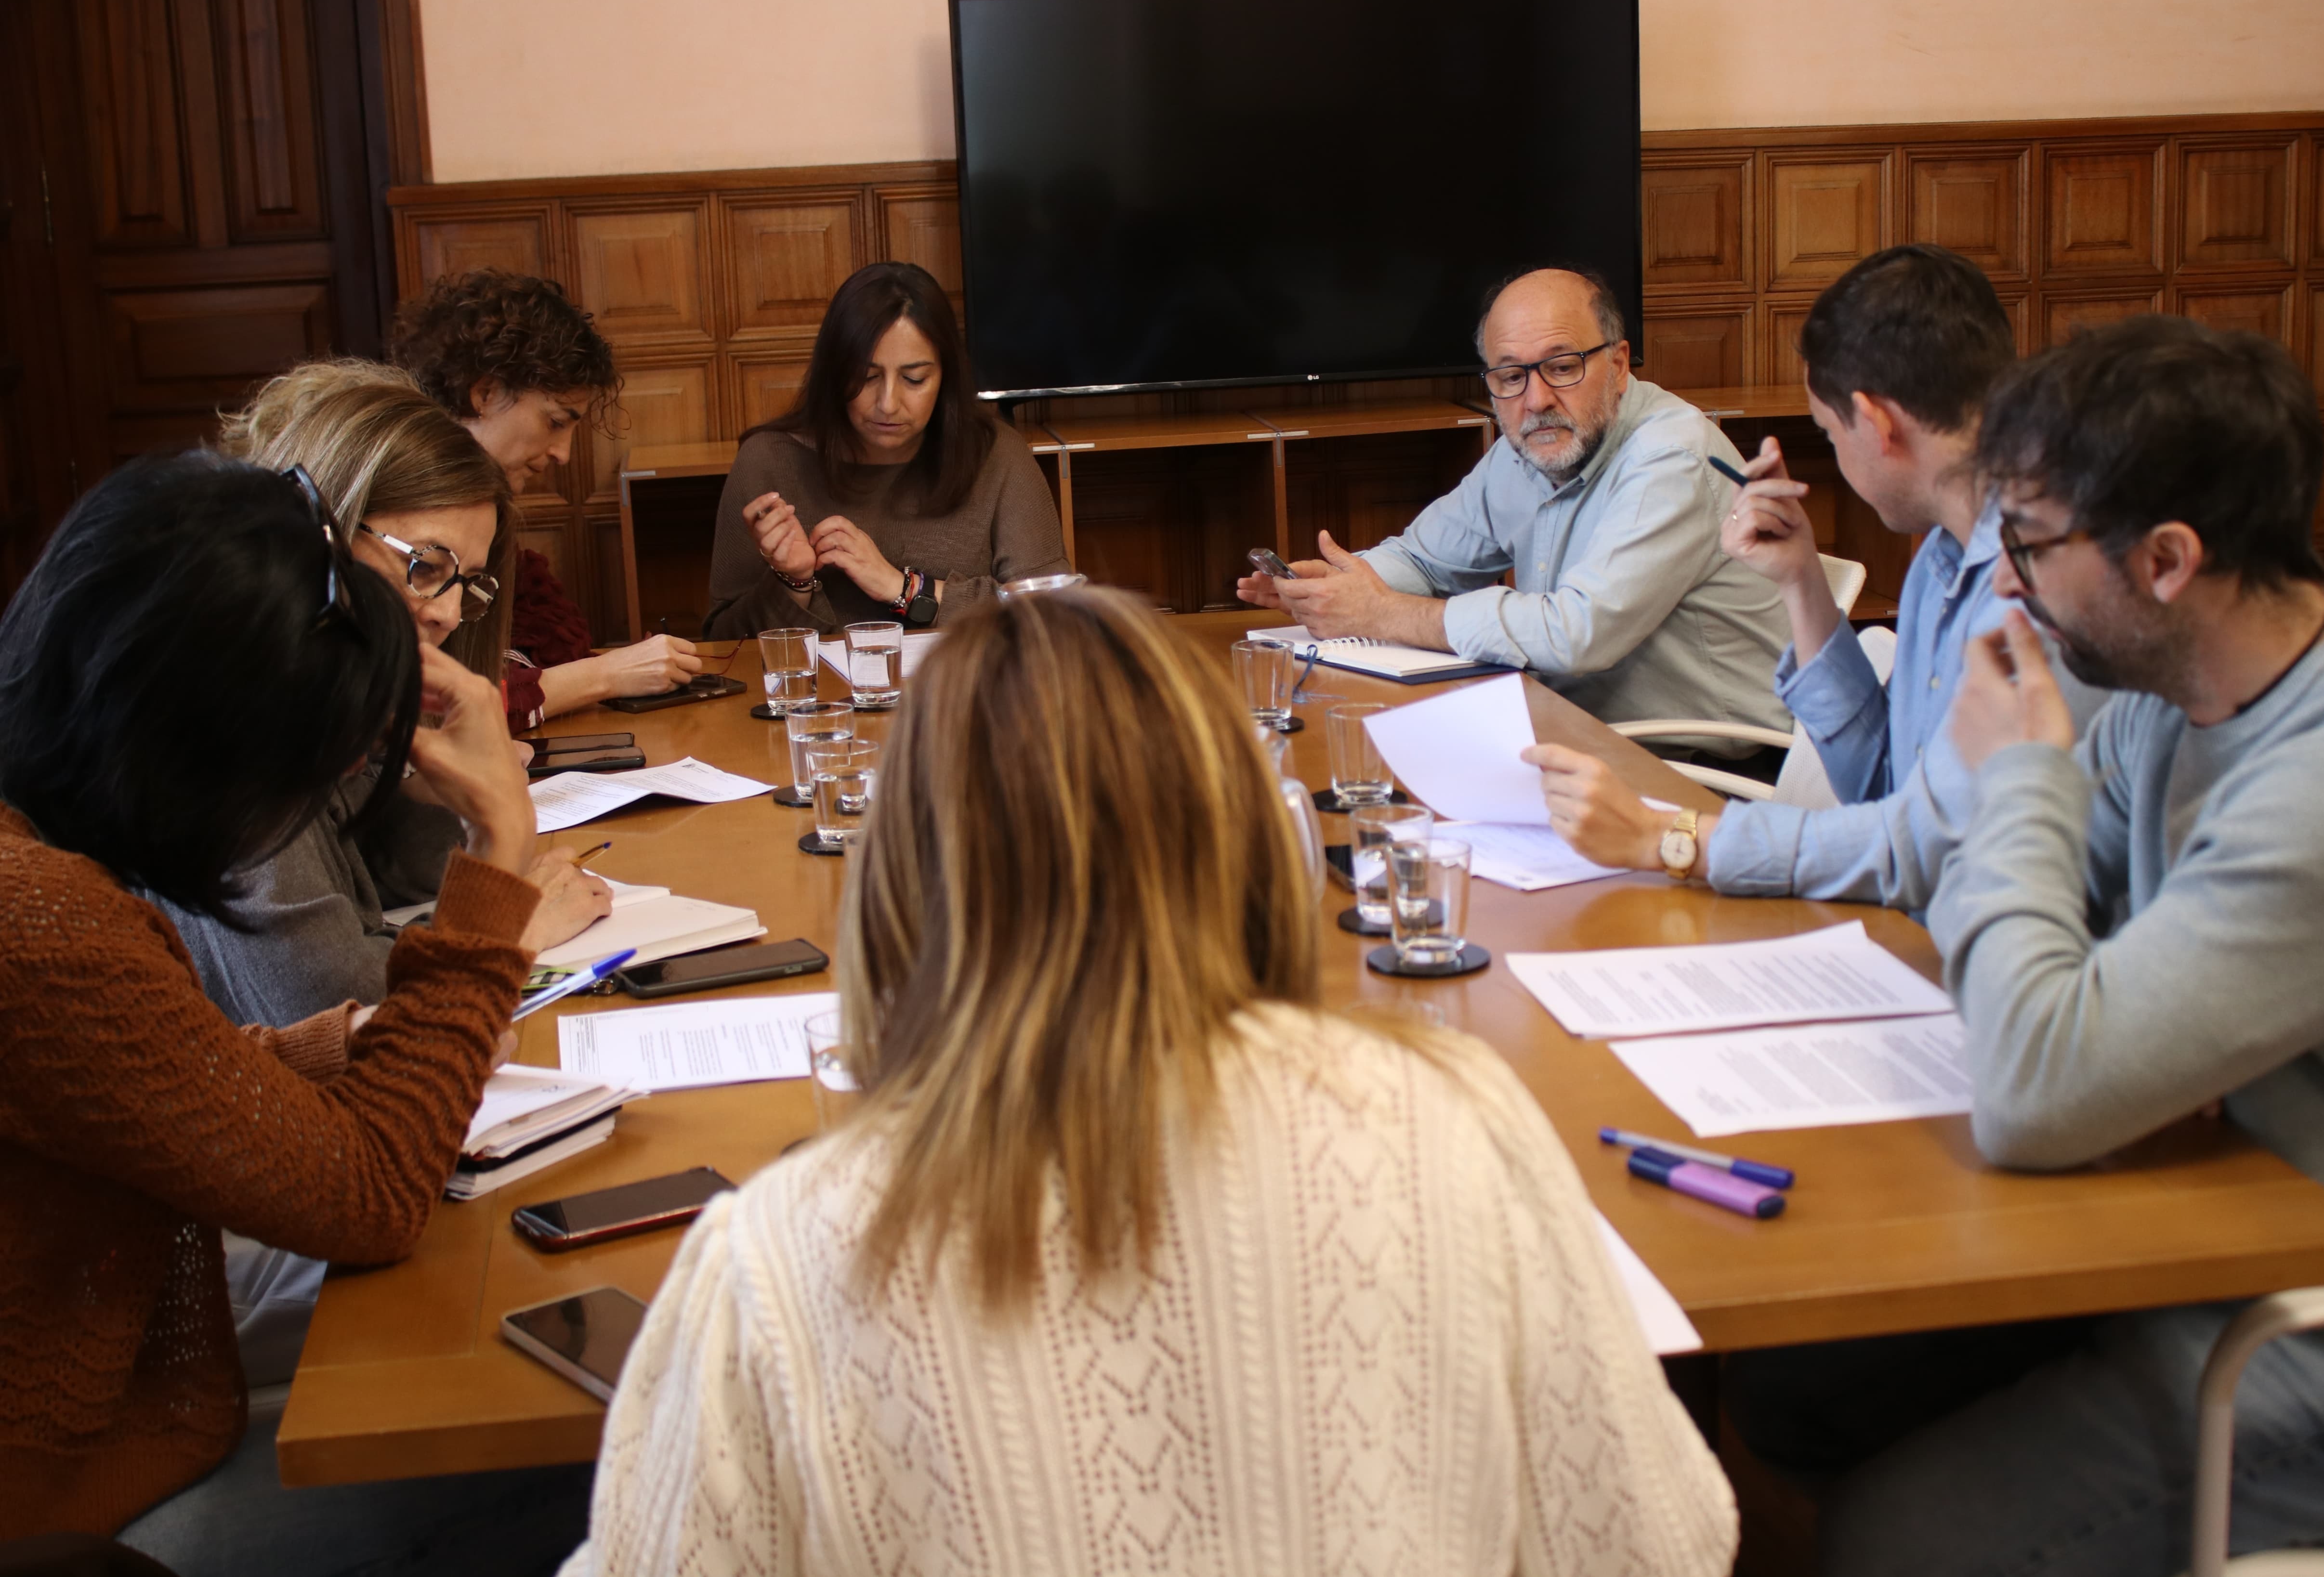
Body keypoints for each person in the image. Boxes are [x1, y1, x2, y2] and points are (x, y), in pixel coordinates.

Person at [559, 586, 1738, 1576]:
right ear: (1239, 829)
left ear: (908, 872)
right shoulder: (1455, 1115)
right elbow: (1656, 1541)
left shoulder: (778, 1256)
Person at [1733, 315, 2324, 1573]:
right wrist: (2018, 829)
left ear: (2169, 559)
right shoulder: (2190, 688)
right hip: (2216, 1225)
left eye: (2028, 543)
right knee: (1792, 1387)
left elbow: (2031, 1085)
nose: (2001, 583)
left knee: (1894, 1539)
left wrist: (2016, 779)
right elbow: (2015, 910)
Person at [0, 453, 589, 1570]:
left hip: (123, 1418)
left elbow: (129, 1076)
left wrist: (331, 1048)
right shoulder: (39, 918)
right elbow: (371, 1196)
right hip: (81, 1502)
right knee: (593, 1438)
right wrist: (500, 843)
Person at [1523, 245, 2100, 908]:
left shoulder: (2037, 588)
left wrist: (1671, 837)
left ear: (1877, 424)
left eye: (1829, 434)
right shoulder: (1942, 557)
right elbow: (1877, 786)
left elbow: (1919, 847)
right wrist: (1800, 580)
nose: (1834, 451)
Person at [1236, 265, 1791, 759]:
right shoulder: (1531, 443)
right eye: (1510, 376)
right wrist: (1336, 588)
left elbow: (1580, 633)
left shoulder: (1672, 456)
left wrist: (1379, 613)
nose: (1535, 399)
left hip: (1703, 768)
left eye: (1562, 366)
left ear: (1619, 365)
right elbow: (1426, 559)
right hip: (1576, 734)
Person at [204, 360, 611, 1028]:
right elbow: (341, 1012)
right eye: (425, 567)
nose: (448, 614)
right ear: (323, 529)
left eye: (465, 583)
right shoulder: (243, 730)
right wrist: (511, 915)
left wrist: (430, 784)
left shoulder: (335, 692)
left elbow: (406, 880)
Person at [392, 268, 701, 725]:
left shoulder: (491, 520)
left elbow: (555, 647)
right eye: (556, 422)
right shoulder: (396, 498)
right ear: (485, 392)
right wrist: (603, 677)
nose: (563, 454)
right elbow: (417, 705)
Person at [705, 260, 1071, 638]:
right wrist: (791, 582)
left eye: (915, 379)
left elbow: (1056, 618)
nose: (888, 404)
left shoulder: (997, 455)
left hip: (959, 694)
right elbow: (722, 646)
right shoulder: (768, 462)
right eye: (867, 377)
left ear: (946, 377)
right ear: (835, 371)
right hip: (821, 697)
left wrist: (907, 589)